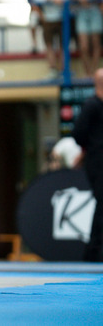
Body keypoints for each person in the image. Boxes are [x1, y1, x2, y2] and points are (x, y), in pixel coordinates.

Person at [72, 68, 103, 262]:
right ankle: (94, 252)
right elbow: (78, 134)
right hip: (98, 161)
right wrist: (91, 148)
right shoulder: (92, 105)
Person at [32, 0, 72, 78]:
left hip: (63, 17)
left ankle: (64, 70)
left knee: (63, 45)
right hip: (47, 17)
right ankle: (53, 70)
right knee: (49, 45)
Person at [71, 0, 102, 77]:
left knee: (95, 43)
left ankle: (94, 71)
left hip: (94, 12)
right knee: (83, 46)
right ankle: (87, 71)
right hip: (82, 12)